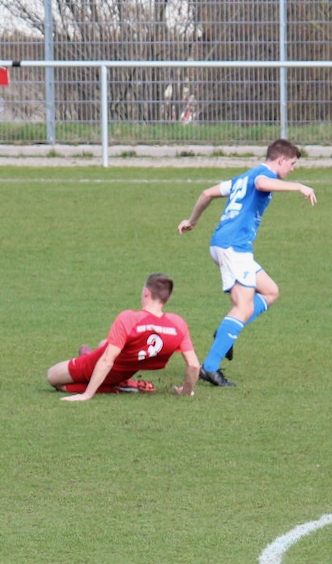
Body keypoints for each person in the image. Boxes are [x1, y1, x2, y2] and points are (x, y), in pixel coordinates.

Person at [177, 139, 316, 387]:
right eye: (292, 164)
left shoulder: (243, 177)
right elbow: (262, 183)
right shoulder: (261, 176)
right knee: (243, 307)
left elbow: (207, 193)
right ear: (281, 160)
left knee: (271, 291)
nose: (292, 169)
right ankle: (210, 367)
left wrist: (193, 220)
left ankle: (226, 334)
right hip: (233, 247)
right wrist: (298, 187)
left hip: (226, 244)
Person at [48, 273, 201, 401]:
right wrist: (186, 391)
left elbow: (107, 361)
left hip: (111, 368)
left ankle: (118, 386)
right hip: (129, 365)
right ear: (167, 299)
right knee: (104, 343)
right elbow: (194, 365)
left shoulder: (129, 318)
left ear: (146, 292)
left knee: (54, 378)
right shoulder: (177, 324)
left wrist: (87, 395)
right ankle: (105, 372)